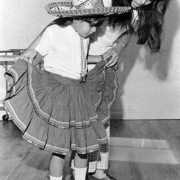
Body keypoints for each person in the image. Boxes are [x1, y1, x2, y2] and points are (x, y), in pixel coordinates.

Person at [15, 0, 171, 179]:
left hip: (93, 71)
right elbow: (58, 24)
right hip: (69, 78)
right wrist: (29, 51)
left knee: (94, 126)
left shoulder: (141, 12)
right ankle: (81, 171)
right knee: (64, 139)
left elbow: (126, 32)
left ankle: (96, 170)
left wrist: (116, 49)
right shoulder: (98, 4)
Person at [3, 1, 130, 180]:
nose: (94, 31)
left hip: (79, 94)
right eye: (92, 26)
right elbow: (36, 55)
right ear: (76, 18)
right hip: (59, 95)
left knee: (83, 147)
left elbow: (82, 59)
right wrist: (17, 70)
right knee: (60, 150)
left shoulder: (84, 35)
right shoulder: (54, 32)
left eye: (97, 26)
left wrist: (102, 58)